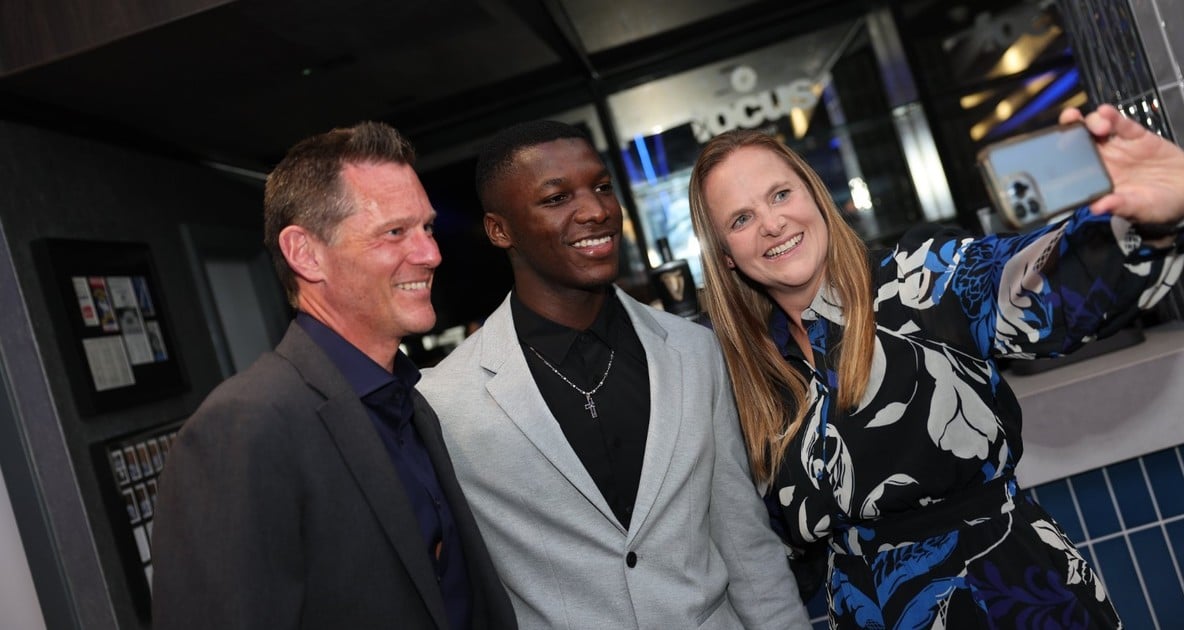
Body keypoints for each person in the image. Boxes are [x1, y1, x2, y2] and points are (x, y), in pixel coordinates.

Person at [687, 103, 1184, 628]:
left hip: (1006, 596)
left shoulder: (918, 281)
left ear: (815, 196)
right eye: (741, 219)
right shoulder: (746, 375)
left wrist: (1152, 226)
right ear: (725, 254)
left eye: (780, 194)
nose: (772, 224)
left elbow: (1025, 283)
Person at [417, 120, 810, 629]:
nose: (595, 210)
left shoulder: (695, 351)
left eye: (601, 187)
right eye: (557, 198)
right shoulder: (446, 401)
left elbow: (747, 546)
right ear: (500, 230)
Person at [151, 122, 517, 630]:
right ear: (306, 253)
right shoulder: (246, 426)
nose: (431, 254)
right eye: (395, 232)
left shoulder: (409, 401)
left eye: (428, 228)